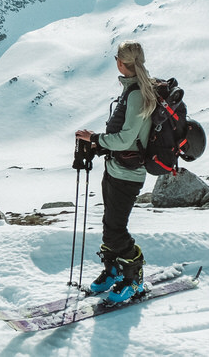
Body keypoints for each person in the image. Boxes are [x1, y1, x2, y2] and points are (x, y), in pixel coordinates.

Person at [75, 40, 155, 303]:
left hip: (127, 175)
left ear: (121, 63)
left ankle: (134, 276)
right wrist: (99, 145)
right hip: (116, 169)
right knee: (110, 224)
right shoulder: (133, 89)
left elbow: (125, 139)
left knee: (115, 230)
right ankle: (113, 271)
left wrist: (96, 139)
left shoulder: (136, 94)